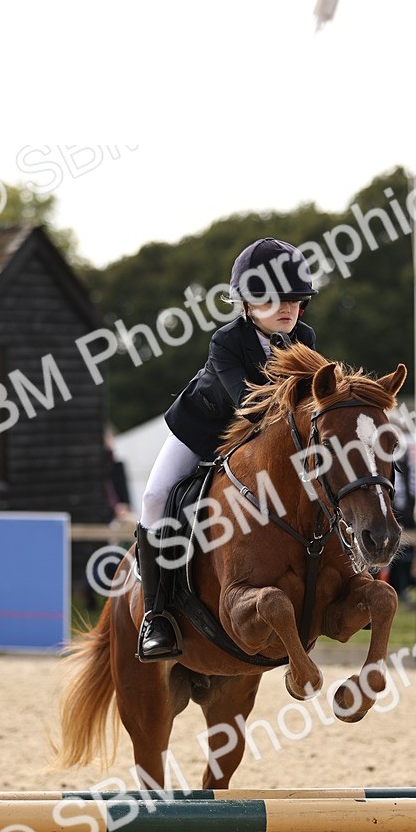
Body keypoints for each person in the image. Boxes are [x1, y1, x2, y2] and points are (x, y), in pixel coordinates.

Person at [136, 238, 318, 661]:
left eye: (295, 298)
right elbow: (246, 402)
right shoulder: (226, 341)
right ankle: (155, 615)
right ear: (248, 304)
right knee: (154, 497)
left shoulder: (304, 337)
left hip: (257, 441)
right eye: (274, 298)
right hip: (202, 431)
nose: (287, 307)